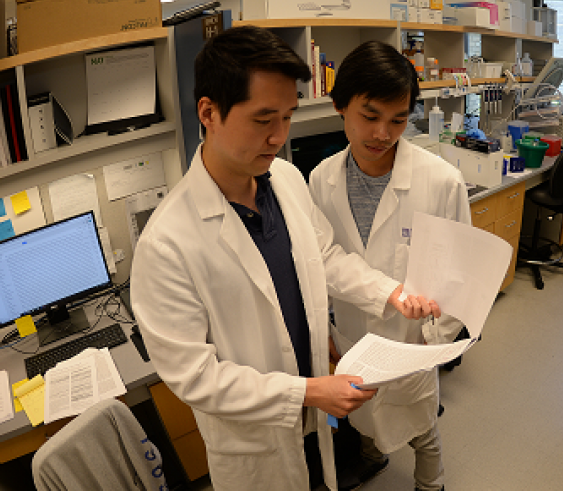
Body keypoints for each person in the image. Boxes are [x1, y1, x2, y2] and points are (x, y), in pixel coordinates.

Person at [131, 26, 438, 491]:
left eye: (288, 117)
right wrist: (310, 392)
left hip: (316, 419)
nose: (278, 137)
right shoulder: (166, 244)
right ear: (209, 112)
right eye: (262, 119)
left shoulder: (286, 180)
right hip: (259, 438)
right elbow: (196, 377)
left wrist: (389, 292)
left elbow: (326, 255)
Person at [309, 41, 470, 491]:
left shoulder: (440, 181)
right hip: (353, 335)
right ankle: (371, 457)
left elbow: (460, 274)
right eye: (370, 115)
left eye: (398, 120)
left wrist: (430, 342)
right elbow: (319, 263)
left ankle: (431, 484)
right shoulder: (320, 180)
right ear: (340, 106)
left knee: (421, 426)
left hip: (412, 343)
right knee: (361, 416)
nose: (383, 133)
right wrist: (324, 330)